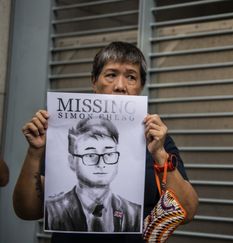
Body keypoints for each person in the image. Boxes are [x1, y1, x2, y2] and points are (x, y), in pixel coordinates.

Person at [13, 42, 198, 242]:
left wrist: (160, 154)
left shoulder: (157, 139)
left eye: (131, 77)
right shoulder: (64, 132)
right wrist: (34, 152)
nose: (120, 86)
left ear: (140, 86)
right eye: (111, 75)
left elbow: (187, 211)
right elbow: (27, 211)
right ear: (94, 81)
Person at [45, 118, 141, 232]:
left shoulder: (134, 213)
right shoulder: (52, 210)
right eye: (90, 155)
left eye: (109, 154)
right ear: (72, 161)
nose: (101, 164)